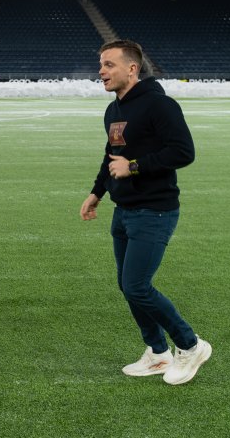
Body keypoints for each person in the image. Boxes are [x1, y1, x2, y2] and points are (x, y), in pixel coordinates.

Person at [79, 39, 212, 385]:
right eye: (101, 65)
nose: (101, 71)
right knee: (128, 286)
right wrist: (96, 192)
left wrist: (135, 166)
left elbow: (184, 152)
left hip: (154, 211)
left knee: (137, 286)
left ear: (132, 68)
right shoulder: (114, 110)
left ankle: (190, 345)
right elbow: (111, 157)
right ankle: (157, 353)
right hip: (124, 211)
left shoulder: (159, 105)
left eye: (109, 65)